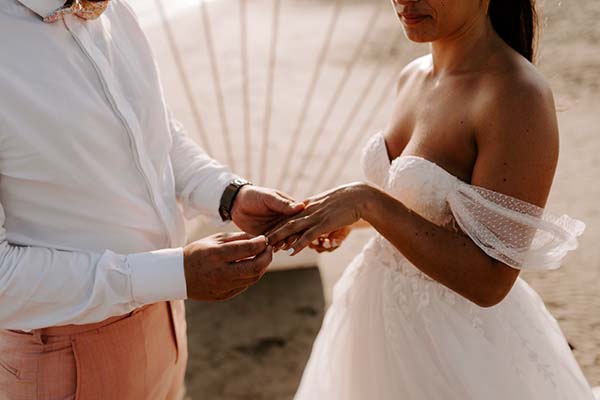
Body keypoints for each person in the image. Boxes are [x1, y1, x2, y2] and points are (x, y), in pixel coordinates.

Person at [267, 0, 599, 398]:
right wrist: (341, 215)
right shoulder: (413, 75)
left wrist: (367, 202)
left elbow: (490, 281)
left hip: (454, 345)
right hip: (370, 318)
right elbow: (417, 204)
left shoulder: (516, 94)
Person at [0, 0, 303, 398]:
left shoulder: (114, 11)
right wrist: (173, 274)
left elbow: (155, 129)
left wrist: (228, 195)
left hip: (168, 318)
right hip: (64, 353)